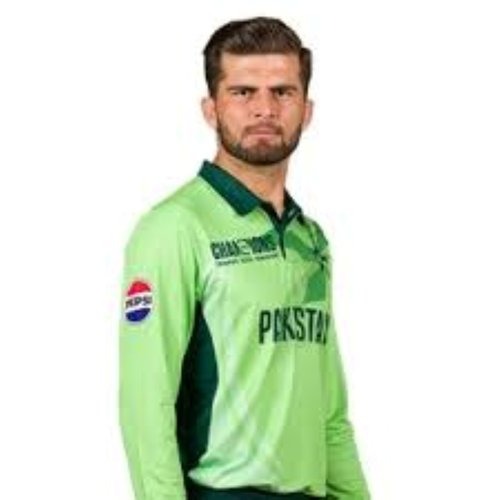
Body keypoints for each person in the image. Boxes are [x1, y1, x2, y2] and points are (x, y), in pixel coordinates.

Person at [118, 16, 370, 500]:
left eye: (282, 92)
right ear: (210, 109)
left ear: (307, 110)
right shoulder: (173, 228)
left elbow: (329, 410)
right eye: (243, 92)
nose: (264, 108)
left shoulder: (310, 240)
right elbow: (145, 404)